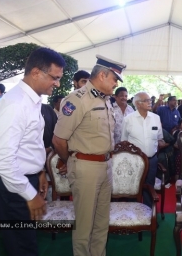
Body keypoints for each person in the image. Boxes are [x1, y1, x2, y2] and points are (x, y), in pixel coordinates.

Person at [0, 47, 65, 256]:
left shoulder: (31, 100)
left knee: (23, 242)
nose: (57, 83)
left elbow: (29, 144)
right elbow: (3, 161)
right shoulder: (16, 103)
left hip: (20, 181)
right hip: (10, 186)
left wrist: (39, 172)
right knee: (23, 247)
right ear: (36, 72)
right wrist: (29, 195)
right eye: (54, 78)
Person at [52, 55, 126, 256]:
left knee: (101, 222)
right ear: (102, 75)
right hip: (85, 167)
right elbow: (58, 140)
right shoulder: (77, 99)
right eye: (114, 79)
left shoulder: (106, 100)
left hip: (106, 165)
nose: (115, 84)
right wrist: (70, 161)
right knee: (84, 226)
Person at [121, 92, 164, 207]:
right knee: (132, 186)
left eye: (150, 100)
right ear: (137, 104)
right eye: (146, 100)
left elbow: (160, 138)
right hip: (133, 161)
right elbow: (124, 142)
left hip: (152, 160)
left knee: (149, 186)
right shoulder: (128, 120)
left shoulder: (156, 118)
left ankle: (149, 215)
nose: (150, 102)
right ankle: (131, 214)